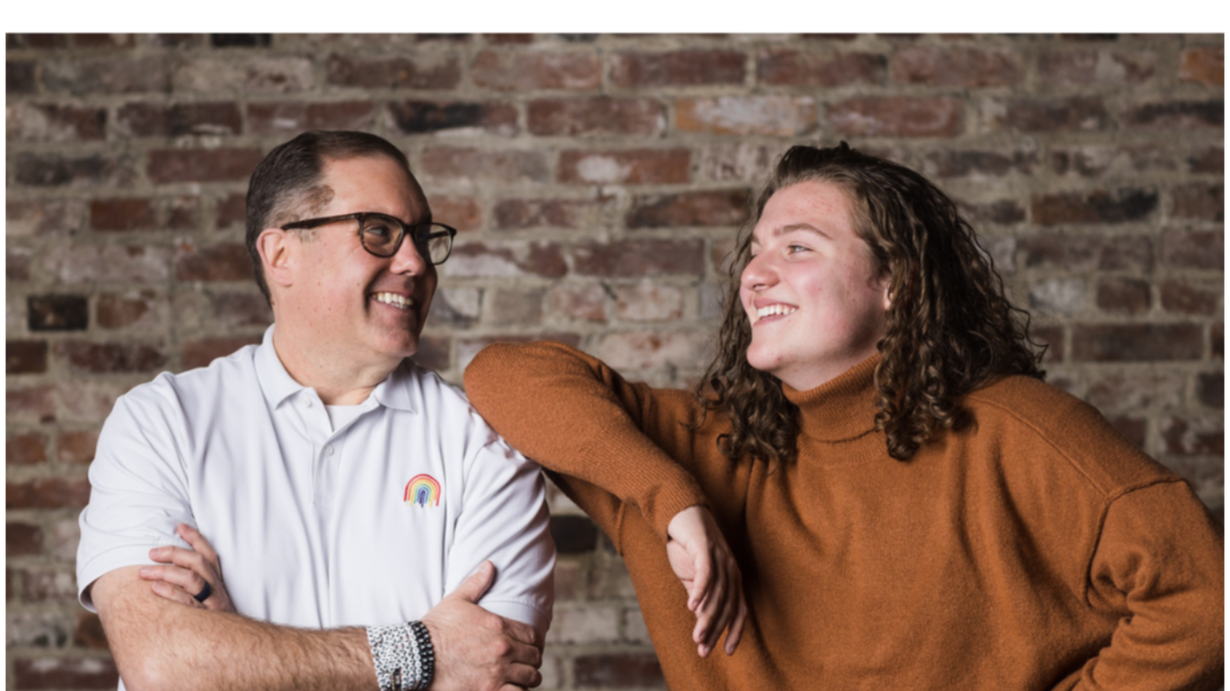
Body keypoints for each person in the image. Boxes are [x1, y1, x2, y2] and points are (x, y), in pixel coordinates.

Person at [464, 143, 1227, 689]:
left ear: (895, 282)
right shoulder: (700, 449)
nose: (755, 275)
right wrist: (678, 506)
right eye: (755, 251)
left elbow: (1204, 600)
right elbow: (502, 373)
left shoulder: (1019, 433)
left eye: (798, 248)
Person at [76, 131, 555, 691]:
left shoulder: (485, 446)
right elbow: (163, 665)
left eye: (423, 238)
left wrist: (235, 655)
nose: (415, 262)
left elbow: (487, 670)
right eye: (379, 232)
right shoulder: (161, 423)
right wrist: (421, 650)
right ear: (281, 254)